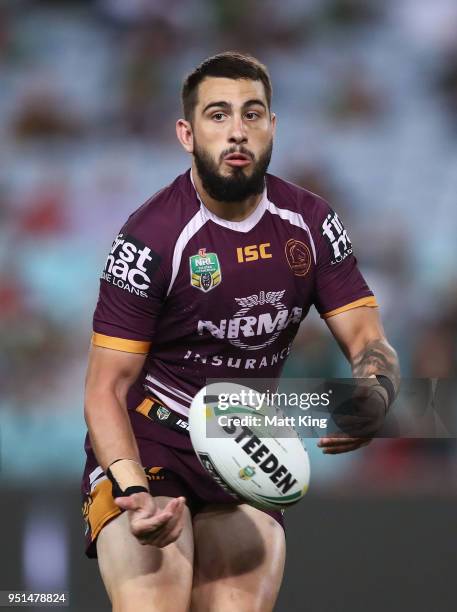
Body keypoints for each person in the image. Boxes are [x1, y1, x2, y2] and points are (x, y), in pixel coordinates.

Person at [81, 51, 400, 612]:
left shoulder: (312, 221)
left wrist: (376, 393)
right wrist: (132, 487)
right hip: (150, 444)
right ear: (187, 132)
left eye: (252, 114)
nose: (237, 131)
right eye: (218, 114)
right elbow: (105, 388)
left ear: (272, 127)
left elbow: (368, 340)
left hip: (246, 444)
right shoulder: (150, 238)